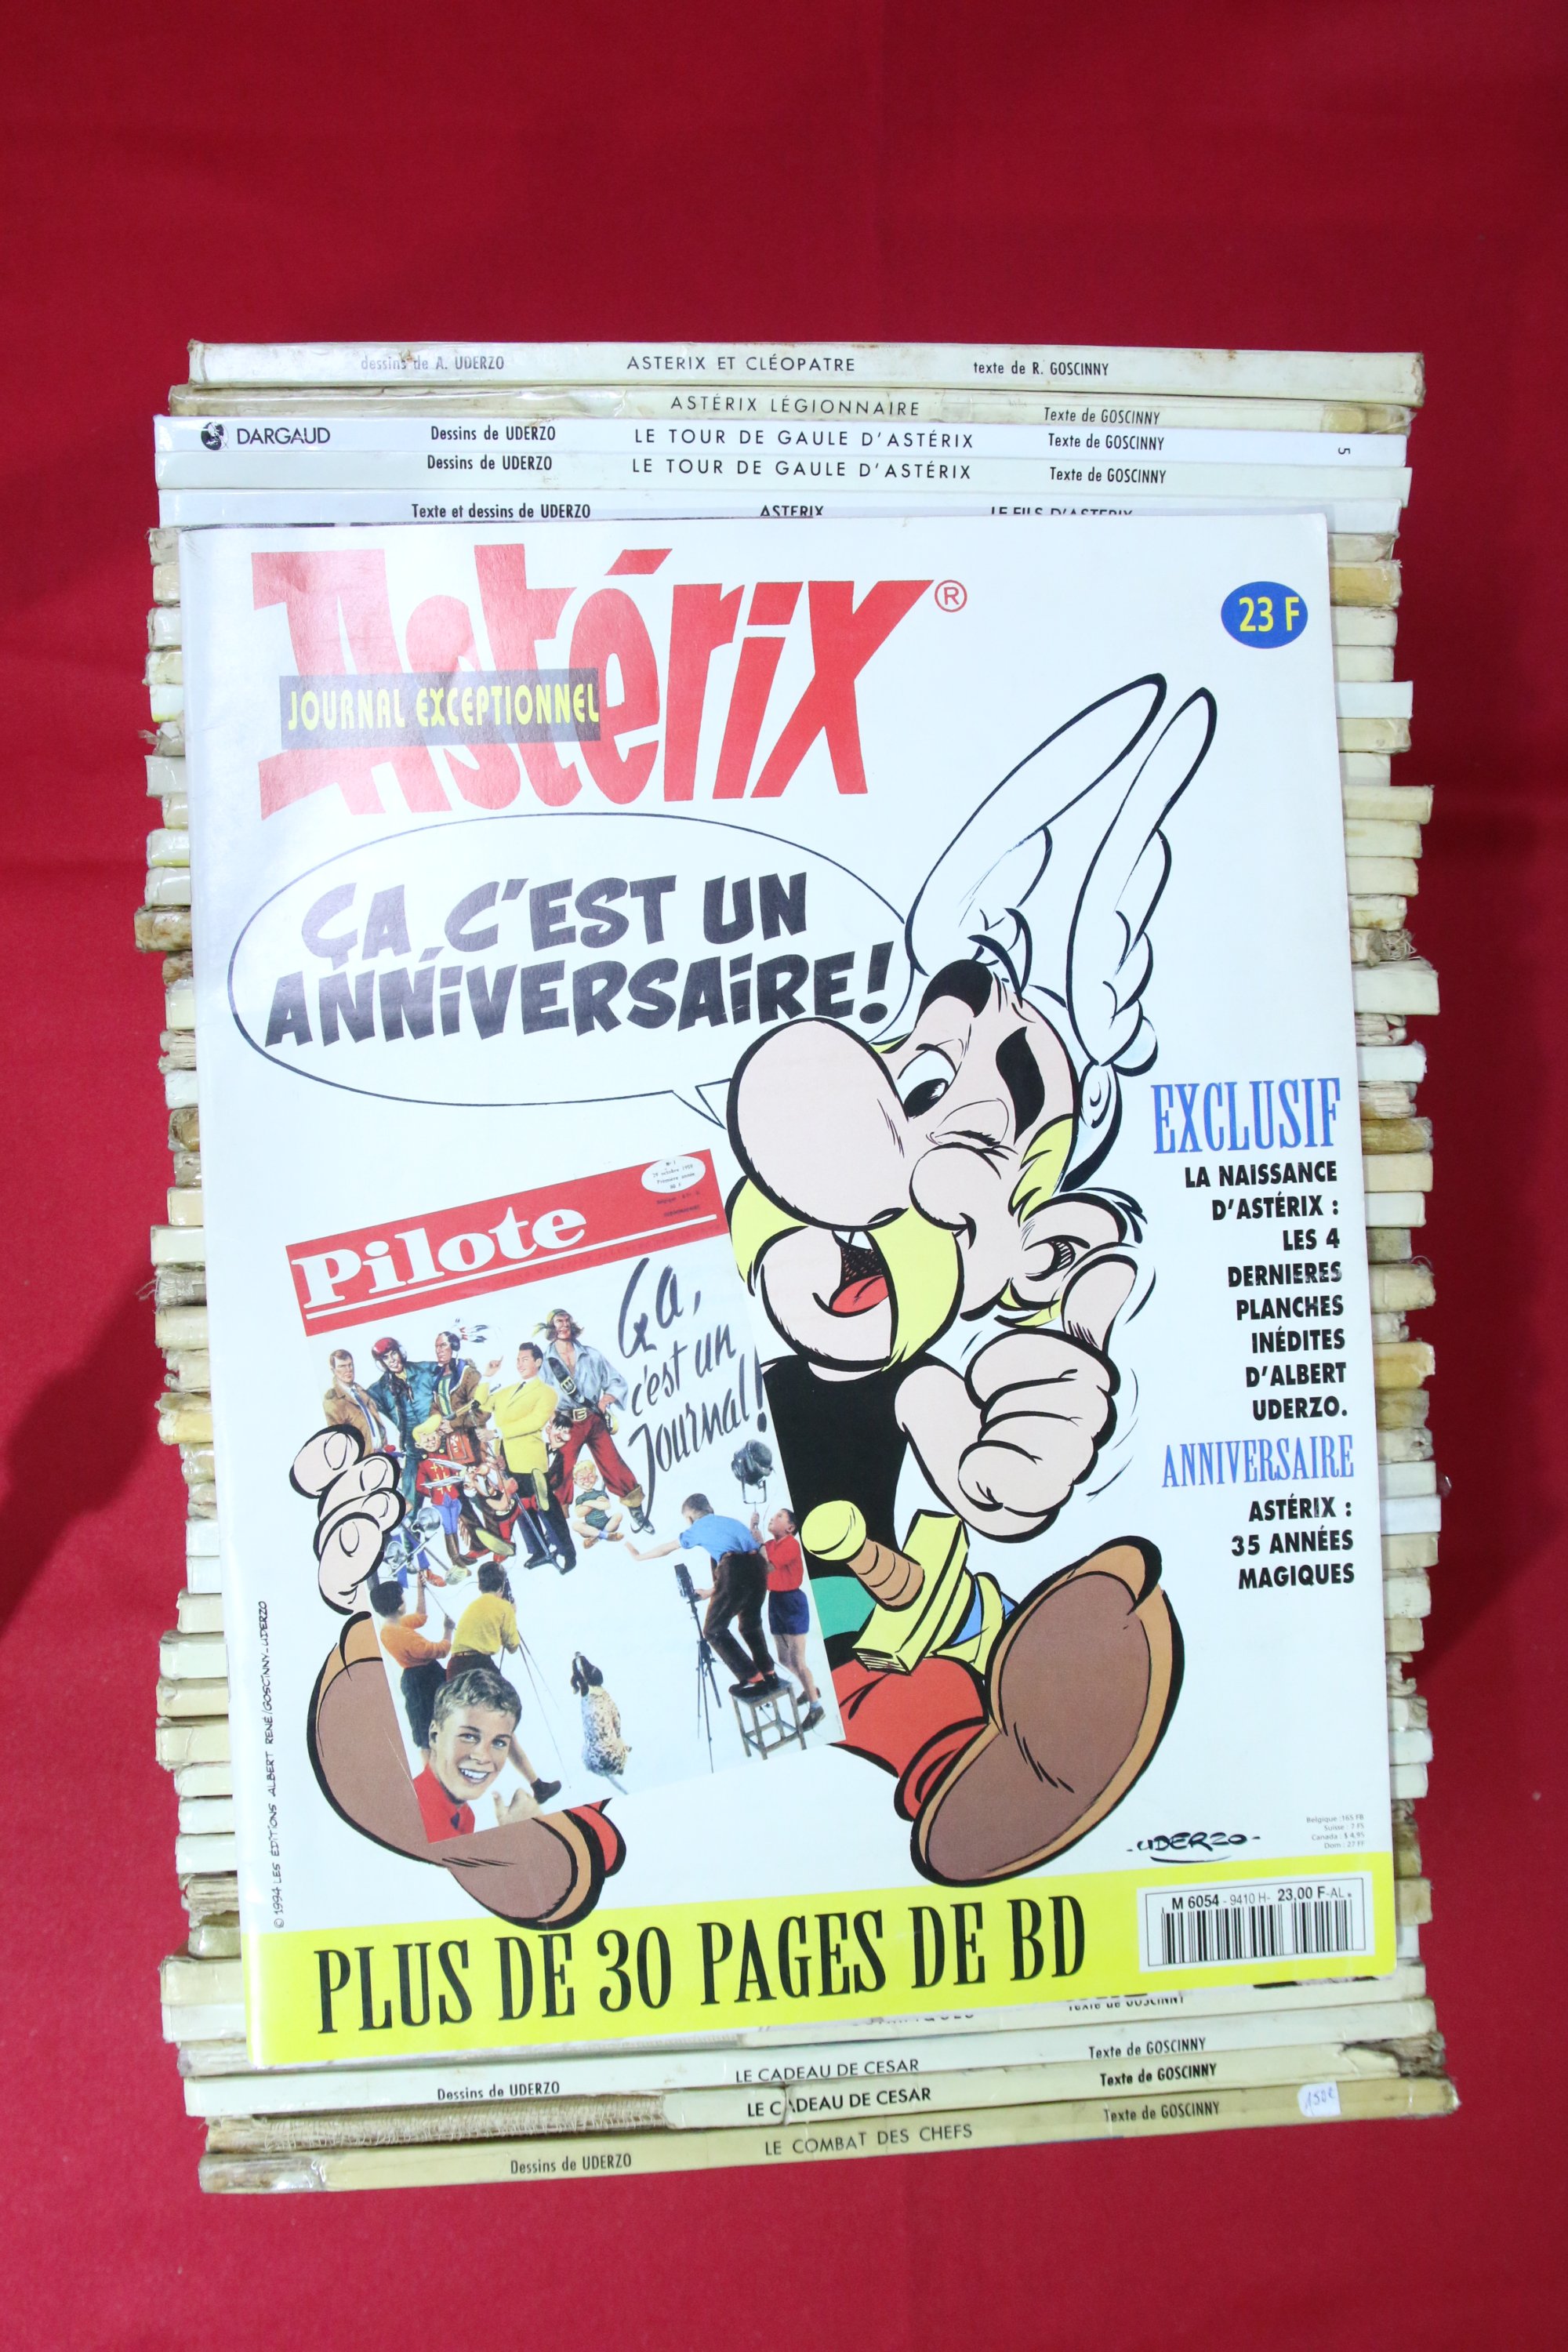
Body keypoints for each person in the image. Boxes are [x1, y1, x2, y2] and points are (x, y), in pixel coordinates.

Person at [628, 1494, 780, 1698]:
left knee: (713, 1630)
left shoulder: (697, 1528)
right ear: (710, 1509)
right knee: (750, 1624)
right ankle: (769, 1674)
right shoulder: (733, 1522)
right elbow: (757, 1560)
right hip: (758, 1570)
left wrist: (639, 1557)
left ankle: (754, 1679)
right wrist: (714, 1591)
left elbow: (667, 1548)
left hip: (734, 1570)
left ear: (690, 1518)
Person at [448, 1563, 562, 1801]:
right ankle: (536, 1786)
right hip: (477, 1667)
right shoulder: (503, 1607)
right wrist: (512, 1613)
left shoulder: (474, 1605)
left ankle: (537, 1785)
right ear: (502, 1586)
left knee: (491, 1730)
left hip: (456, 1667)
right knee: (501, 1726)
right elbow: (512, 1646)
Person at [538, 1308, 652, 1532]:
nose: (565, 1325)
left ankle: (637, 1510)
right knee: (560, 1472)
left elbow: (616, 1381)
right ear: (551, 1327)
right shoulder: (545, 1362)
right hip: (566, 1424)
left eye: (567, 1320)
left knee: (613, 1464)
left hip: (593, 1420)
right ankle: (557, 1526)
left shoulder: (592, 1355)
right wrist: (552, 1422)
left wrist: (606, 1400)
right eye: (559, 1321)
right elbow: (541, 1396)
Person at [414, 1665, 546, 1842]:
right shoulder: (420, 1813)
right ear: (434, 1735)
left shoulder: (465, 1815)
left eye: (499, 1742)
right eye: (468, 1736)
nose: (483, 1757)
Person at [475, 1342, 575, 1570]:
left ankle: (567, 1553)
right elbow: (483, 1404)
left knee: (546, 1507)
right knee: (520, 1507)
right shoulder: (508, 1391)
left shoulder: (547, 1393)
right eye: (518, 1360)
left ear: (538, 1362)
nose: (520, 1364)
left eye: (525, 1359)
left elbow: (534, 1422)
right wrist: (487, 1376)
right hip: (506, 1458)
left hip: (530, 1461)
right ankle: (539, 1550)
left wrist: (496, 1432)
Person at [751, 1504, 825, 1730]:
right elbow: (756, 1558)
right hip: (775, 1601)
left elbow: (767, 1567)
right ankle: (811, 1688)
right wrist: (753, 1527)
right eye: (774, 1516)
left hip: (792, 1602)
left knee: (798, 1661)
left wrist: (760, 1544)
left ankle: (816, 1707)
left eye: (780, 1516)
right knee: (784, 1659)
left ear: (791, 1528)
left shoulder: (791, 1544)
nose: (773, 1518)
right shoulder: (770, 1544)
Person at [369, 1570, 452, 1753]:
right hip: (426, 1679)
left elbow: (420, 1617)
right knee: (440, 1725)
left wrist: (421, 1589)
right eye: (403, 1598)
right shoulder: (406, 1636)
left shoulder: (388, 1629)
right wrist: (448, 1630)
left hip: (411, 1679)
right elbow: (440, 1650)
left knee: (424, 1734)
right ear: (399, 1605)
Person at [366, 1336, 444, 1506]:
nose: (392, 1360)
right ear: (381, 1362)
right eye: (385, 1357)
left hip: (440, 1440)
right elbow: (362, 1405)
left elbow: (450, 1373)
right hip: (413, 1449)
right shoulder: (379, 1390)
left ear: (400, 1352)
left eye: (394, 1353)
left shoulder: (426, 1370)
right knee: (409, 1502)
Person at [413, 1430, 479, 1571]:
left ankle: (458, 1556)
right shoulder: (424, 1463)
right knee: (448, 1528)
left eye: (433, 1439)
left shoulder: (446, 1457)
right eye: (426, 1442)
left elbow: (455, 1473)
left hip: (453, 1497)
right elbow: (419, 1486)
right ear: (419, 1445)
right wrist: (432, 1492)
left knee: (454, 1527)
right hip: (440, 1501)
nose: (431, 1443)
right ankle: (455, 1559)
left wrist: (459, 1477)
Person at [571, 1652, 630, 1788]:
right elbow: (617, 1721)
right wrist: (619, 1738)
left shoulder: (585, 1699)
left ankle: (602, 1764)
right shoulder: (606, 1698)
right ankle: (619, 1764)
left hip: (593, 1762)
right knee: (614, 1736)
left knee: (590, 1744)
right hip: (616, 1760)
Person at [322, 1348, 392, 1454]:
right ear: (333, 1370)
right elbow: (338, 1444)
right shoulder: (333, 1402)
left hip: (381, 1453)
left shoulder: (363, 1393)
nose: (348, 1370)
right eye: (342, 1366)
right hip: (362, 1459)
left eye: (350, 1365)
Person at [571, 1455, 625, 1548]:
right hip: (590, 1529)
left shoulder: (601, 1493)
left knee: (618, 1515)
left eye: (590, 1476)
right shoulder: (580, 1498)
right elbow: (579, 1513)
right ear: (575, 1482)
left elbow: (606, 1506)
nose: (587, 1481)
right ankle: (606, 1536)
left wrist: (587, 1503)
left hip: (607, 1525)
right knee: (576, 1525)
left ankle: (597, 1538)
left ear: (596, 1478)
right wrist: (596, 1503)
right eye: (582, 1479)